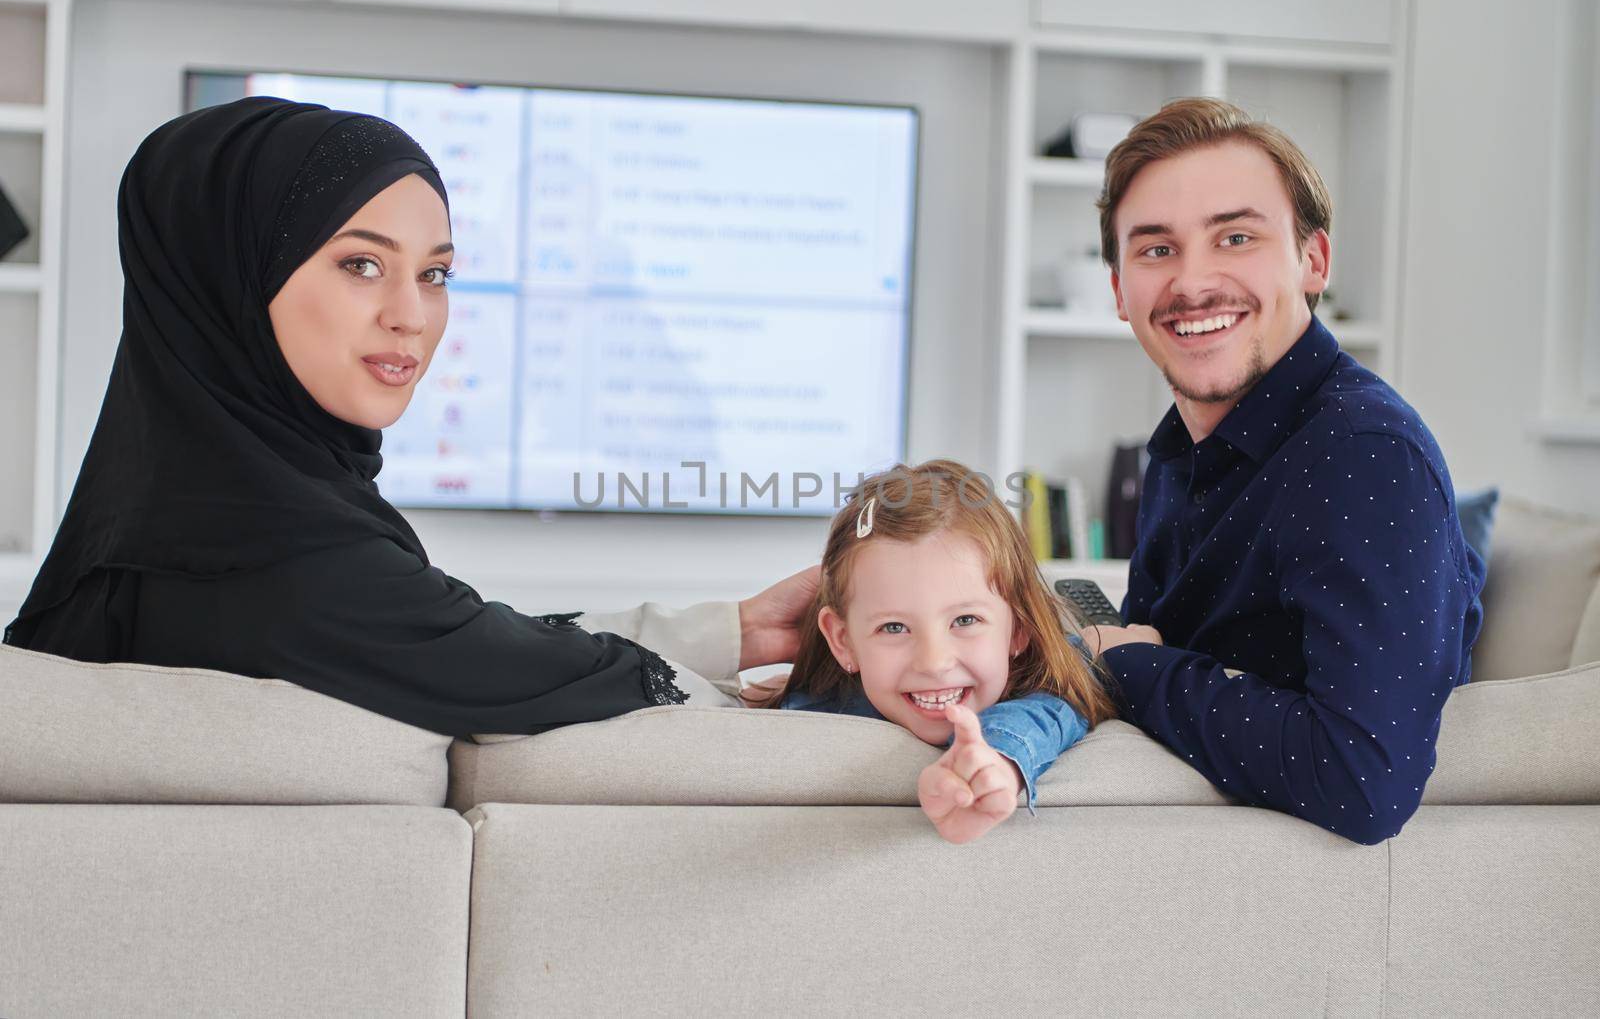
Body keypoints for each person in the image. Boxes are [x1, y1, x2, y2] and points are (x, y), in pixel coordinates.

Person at [2, 96, 816, 735]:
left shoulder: (164, 529)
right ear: (234, 278)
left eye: (435, 274)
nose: (413, 316)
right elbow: (507, 665)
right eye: (362, 264)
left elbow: (469, 637)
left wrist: (738, 629)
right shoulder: (289, 562)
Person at [1081, 98, 1485, 844]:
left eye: (1235, 237)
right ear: (1118, 291)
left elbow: (1364, 780)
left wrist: (1134, 666)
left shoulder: (1362, 453)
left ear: (1313, 261)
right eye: (1156, 249)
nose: (1193, 283)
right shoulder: (1183, 448)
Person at [745, 459, 1118, 843]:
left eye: (965, 620)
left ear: (1018, 629)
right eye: (894, 627)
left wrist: (993, 763)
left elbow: (1045, 712)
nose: (934, 662)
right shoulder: (805, 716)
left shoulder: (1052, 690)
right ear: (843, 641)